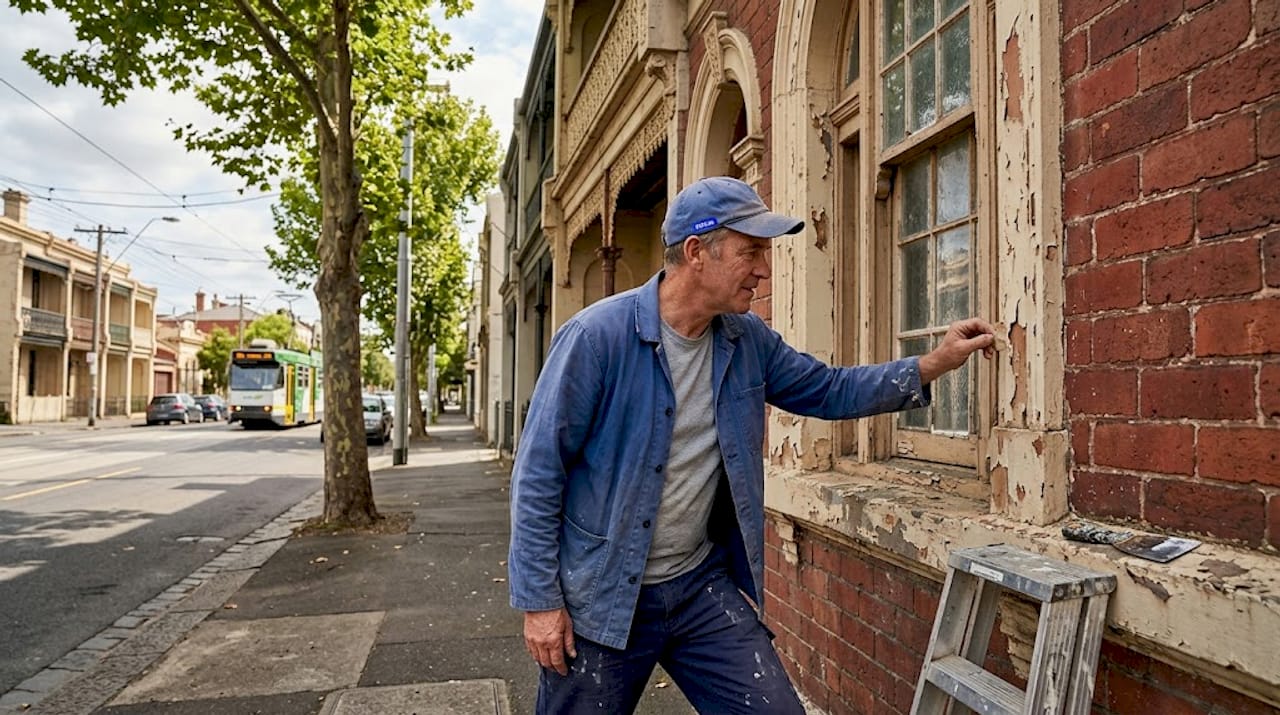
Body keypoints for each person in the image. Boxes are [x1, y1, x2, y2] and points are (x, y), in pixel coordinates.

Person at [509, 176, 995, 714]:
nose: (764, 270)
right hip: (600, 596)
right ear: (696, 251)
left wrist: (932, 364)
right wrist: (540, 602)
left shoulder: (746, 339)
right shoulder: (596, 338)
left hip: (696, 587)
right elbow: (538, 474)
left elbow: (828, 389)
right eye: (751, 253)